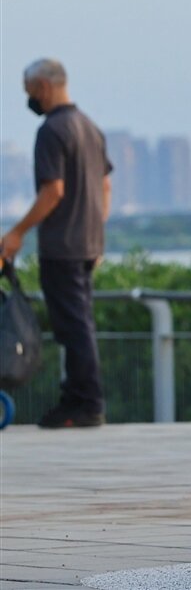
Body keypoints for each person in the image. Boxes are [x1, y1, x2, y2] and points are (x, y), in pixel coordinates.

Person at [1, 59, 111, 429]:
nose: (29, 99)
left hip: (62, 246)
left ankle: (85, 402)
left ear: (44, 87)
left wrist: (16, 232)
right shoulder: (90, 127)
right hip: (88, 244)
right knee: (81, 323)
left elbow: (53, 191)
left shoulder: (52, 130)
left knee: (72, 327)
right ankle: (80, 398)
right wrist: (96, 231)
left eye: (29, 91)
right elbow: (105, 186)